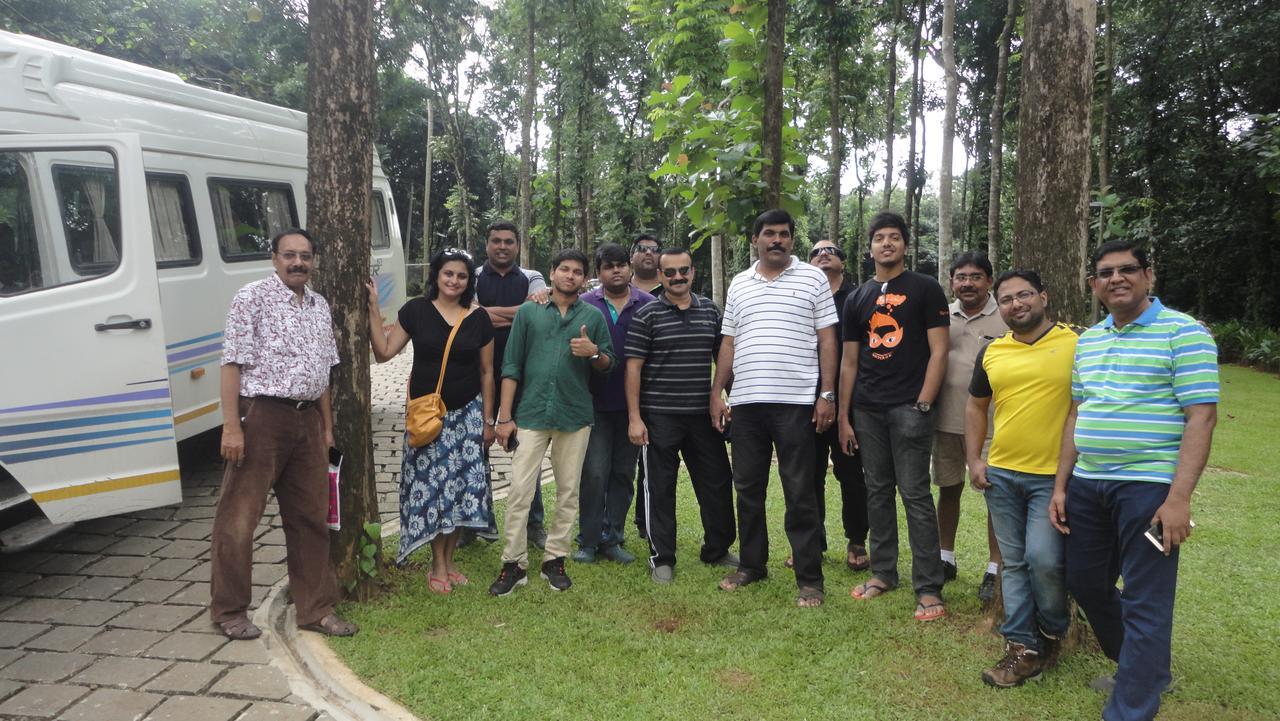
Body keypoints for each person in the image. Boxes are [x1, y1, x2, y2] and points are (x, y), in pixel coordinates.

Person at [1051, 240, 1218, 721]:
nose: (1117, 278)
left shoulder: (1183, 334)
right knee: (1084, 581)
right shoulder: (1091, 340)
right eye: (1106, 272)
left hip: (1148, 488)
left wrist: (1178, 499)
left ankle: (1130, 706)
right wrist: (1062, 486)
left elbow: (1201, 418)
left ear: (1149, 276)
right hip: (1087, 484)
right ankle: (1141, 668)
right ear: (1093, 284)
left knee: (1147, 597)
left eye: (1128, 270)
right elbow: (1078, 415)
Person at [210, 228, 356, 640]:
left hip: (307, 421)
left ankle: (315, 609)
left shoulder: (319, 305)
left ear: (314, 261)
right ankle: (229, 610)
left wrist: (326, 428)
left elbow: (325, 373)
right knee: (239, 517)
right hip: (261, 418)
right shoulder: (251, 298)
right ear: (274, 258)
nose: (298, 263)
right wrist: (231, 426)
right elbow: (232, 364)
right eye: (289, 255)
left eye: (305, 256)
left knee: (311, 518)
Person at [711, 208, 838, 608]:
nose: (777, 240)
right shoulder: (739, 284)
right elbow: (728, 343)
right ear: (755, 240)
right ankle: (752, 565)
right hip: (747, 404)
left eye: (784, 233)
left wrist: (827, 394)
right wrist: (718, 391)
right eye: (769, 233)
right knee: (748, 489)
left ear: (792, 239)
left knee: (799, 491)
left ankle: (809, 579)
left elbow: (827, 340)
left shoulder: (813, 278)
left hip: (796, 403)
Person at [837, 210, 950, 621]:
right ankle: (883, 572)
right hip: (867, 410)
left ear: (905, 245)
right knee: (877, 491)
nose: (887, 244)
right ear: (869, 249)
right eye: (880, 238)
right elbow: (849, 362)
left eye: (894, 238)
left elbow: (940, 351)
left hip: (909, 408)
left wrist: (923, 402)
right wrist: (845, 417)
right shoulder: (857, 298)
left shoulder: (925, 289)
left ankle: (929, 587)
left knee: (916, 495)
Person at [966, 269, 1076, 687]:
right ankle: (1021, 649)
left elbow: (1081, 408)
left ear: (1044, 297)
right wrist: (974, 460)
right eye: (1007, 299)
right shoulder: (993, 351)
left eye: (1024, 295)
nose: (1016, 304)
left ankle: (1052, 629)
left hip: (1052, 478)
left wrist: (1066, 481)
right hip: (1003, 476)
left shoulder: (1075, 345)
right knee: (1012, 564)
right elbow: (976, 406)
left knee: (1044, 560)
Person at [365, 248, 496, 594]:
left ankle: (450, 562)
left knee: (460, 492)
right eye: (448, 274)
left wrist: (488, 421)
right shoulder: (416, 311)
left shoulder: (478, 318)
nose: (454, 281)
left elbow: (487, 372)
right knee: (434, 490)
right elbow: (383, 353)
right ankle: (437, 565)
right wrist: (372, 308)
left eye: (461, 276)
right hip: (428, 418)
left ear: (470, 281)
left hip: (467, 416)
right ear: (436, 275)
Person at [489, 249, 616, 595]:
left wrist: (593, 352)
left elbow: (608, 364)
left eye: (577, 271)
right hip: (530, 414)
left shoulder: (593, 315)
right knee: (519, 490)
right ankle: (513, 563)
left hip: (574, 415)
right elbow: (511, 365)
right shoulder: (530, 311)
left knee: (567, 490)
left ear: (584, 278)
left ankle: (554, 559)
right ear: (552, 272)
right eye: (564, 269)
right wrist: (504, 417)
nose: (570, 276)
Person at [625, 247, 738, 584]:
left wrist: (727, 397)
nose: (677, 277)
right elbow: (633, 369)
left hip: (703, 416)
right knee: (659, 487)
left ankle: (717, 549)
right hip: (659, 416)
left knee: (717, 481)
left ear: (692, 273)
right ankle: (662, 557)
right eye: (670, 272)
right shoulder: (647, 315)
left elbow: (723, 359)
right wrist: (635, 417)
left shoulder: (710, 312)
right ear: (660, 276)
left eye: (683, 271)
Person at [934, 251, 1006, 601]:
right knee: (948, 488)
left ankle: (996, 568)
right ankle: (944, 557)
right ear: (952, 282)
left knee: (996, 496)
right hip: (946, 418)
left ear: (989, 281)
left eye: (975, 276)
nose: (967, 283)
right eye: (960, 277)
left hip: (996, 423)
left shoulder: (1006, 314)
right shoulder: (942, 316)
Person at [575, 243, 653, 564]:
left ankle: (613, 538)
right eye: (609, 266)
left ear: (630, 268)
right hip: (593, 402)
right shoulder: (583, 305)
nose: (616, 270)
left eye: (621, 264)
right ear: (598, 273)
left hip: (633, 406)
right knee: (594, 472)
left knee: (623, 473)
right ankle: (588, 540)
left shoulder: (648, 304)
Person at [475, 220, 549, 549]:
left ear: (517, 246)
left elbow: (538, 310)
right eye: (496, 241)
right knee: (476, 452)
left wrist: (486, 313)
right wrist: (517, 313)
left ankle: (533, 525)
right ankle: (479, 523)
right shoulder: (473, 276)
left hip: (525, 377)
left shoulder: (532, 277)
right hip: (477, 375)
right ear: (487, 244)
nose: (502, 246)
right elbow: (467, 313)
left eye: (508, 241)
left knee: (527, 455)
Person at [801, 240, 870, 572]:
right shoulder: (800, 296)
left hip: (850, 401)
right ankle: (813, 541)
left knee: (852, 473)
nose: (823, 254)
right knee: (808, 473)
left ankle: (857, 540)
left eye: (831, 251)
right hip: (803, 399)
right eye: (816, 252)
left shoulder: (858, 299)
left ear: (843, 262)